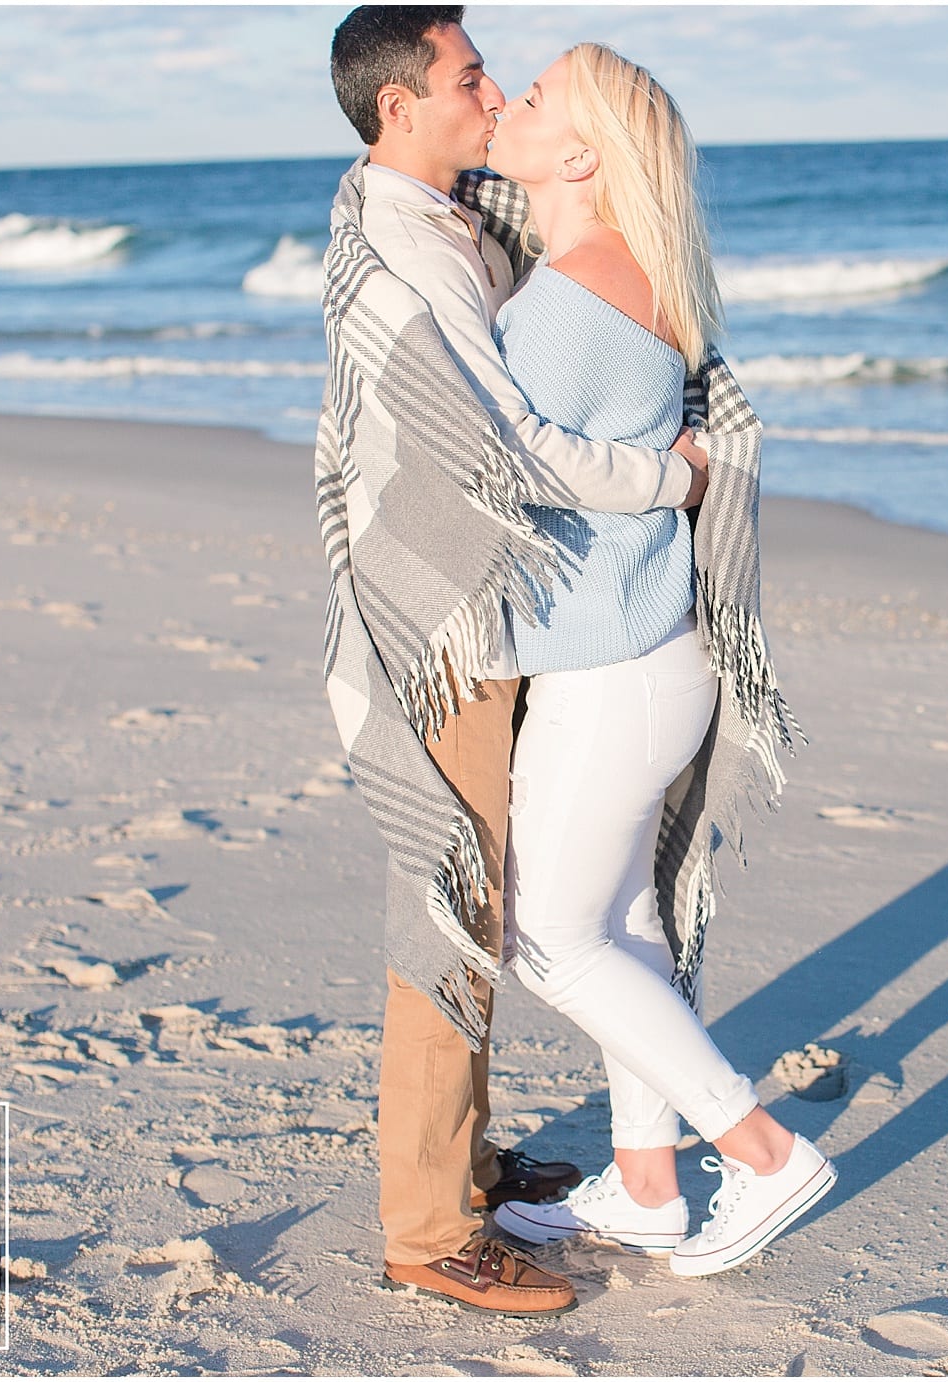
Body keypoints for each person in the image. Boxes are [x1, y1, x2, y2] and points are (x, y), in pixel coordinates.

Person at [321, 5, 712, 1318]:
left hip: (488, 607)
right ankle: (429, 1227)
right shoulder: (407, 251)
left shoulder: (440, 206)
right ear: (399, 109)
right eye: (471, 75)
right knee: (448, 913)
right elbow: (515, 451)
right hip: (437, 625)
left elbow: (599, 201)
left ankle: (466, 1163)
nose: (492, 92)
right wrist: (674, 473)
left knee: (484, 903)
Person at [477, 43, 834, 1279]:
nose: (503, 106)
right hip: (651, 658)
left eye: (526, 100)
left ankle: (762, 1147)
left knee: (551, 939)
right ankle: (644, 1185)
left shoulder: (573, 296)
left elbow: (500, 465)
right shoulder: (629, 269)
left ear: (577, 155)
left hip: (612, 670)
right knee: (621, 928)